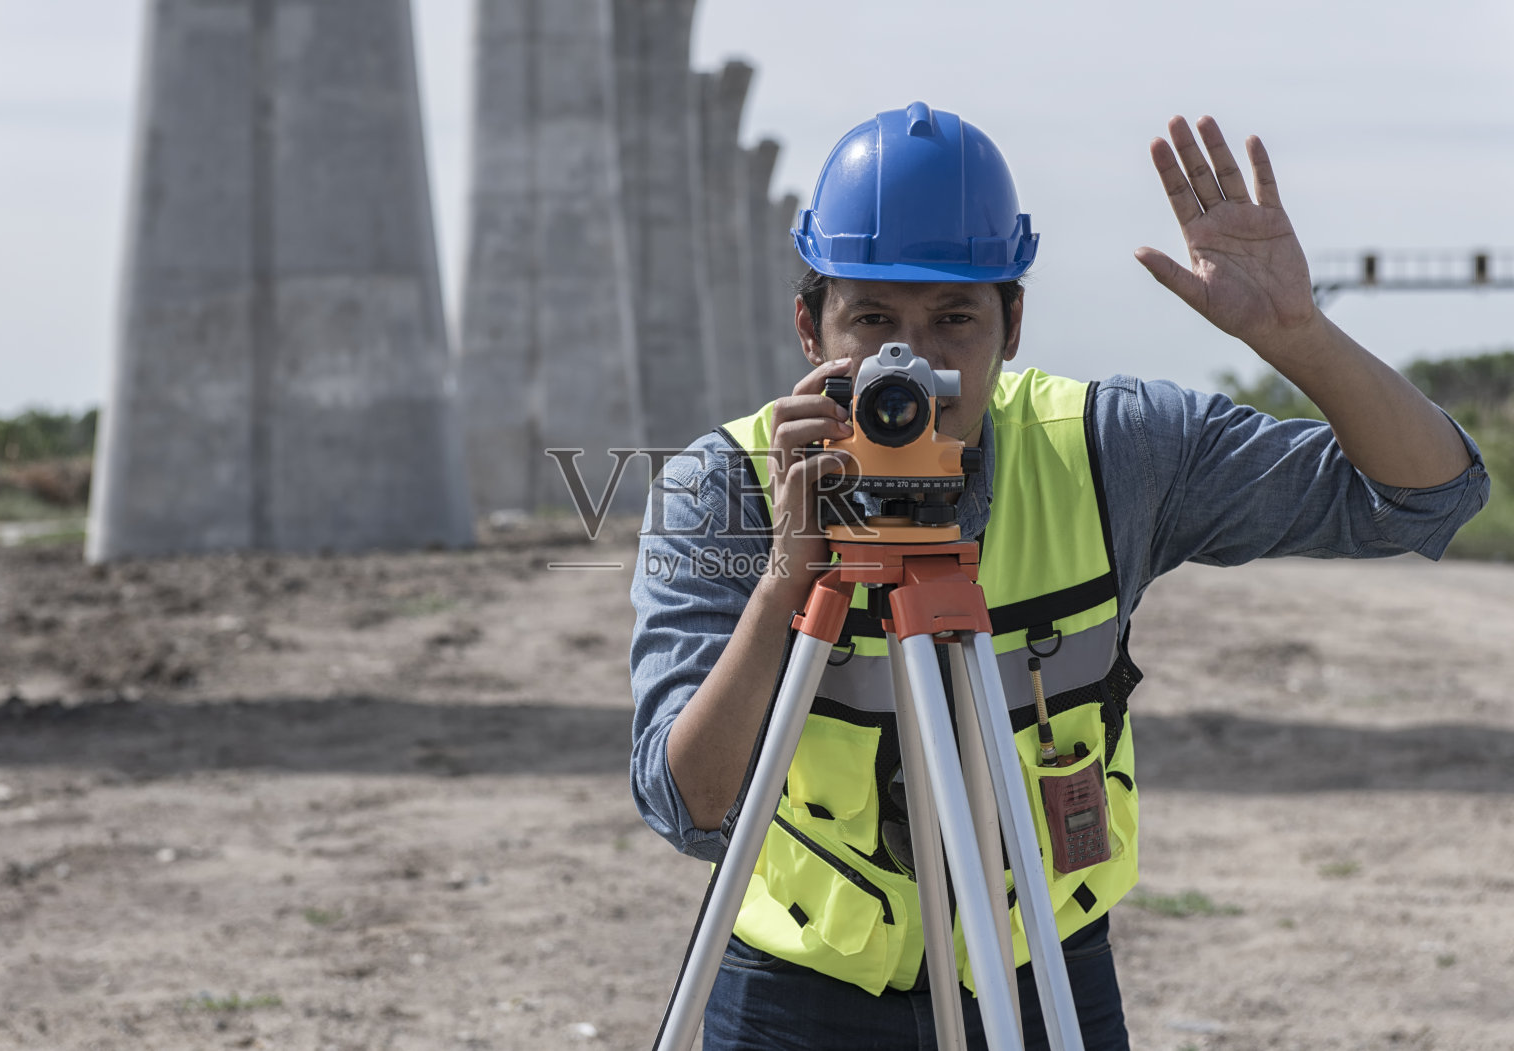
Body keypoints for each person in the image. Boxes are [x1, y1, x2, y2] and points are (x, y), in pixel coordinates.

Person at [628, 103, 1489, 1050]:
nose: (911, 364)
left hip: (1040, 959)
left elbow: (1429, 494)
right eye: (872, 320)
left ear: (1015, 321)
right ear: (809, 326)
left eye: (954, 317)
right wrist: (786, 576)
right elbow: (690, 805)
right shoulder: (725, 484)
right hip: (799, 980)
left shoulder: (1113, 450)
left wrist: (1297, 334)